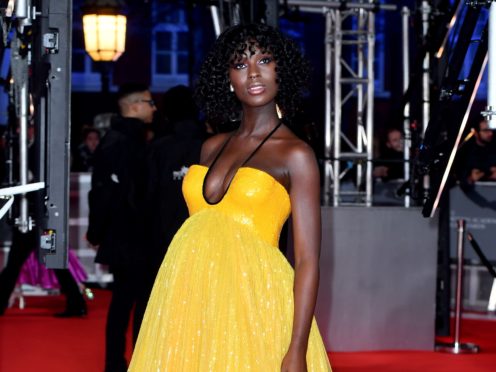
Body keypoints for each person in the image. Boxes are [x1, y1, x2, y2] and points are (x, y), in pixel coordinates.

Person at [130, 24, 332, 371]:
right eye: (240, 65)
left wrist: (296, 347)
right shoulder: (211, 146)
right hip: (190, 298)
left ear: (280, 69)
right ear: (227, 78)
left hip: (254, 304)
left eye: (264, 60)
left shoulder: (296, 155)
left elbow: (308, 260)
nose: (253, 73)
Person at [86, 83, 156, 372]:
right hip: (133, 236)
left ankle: (121, 363)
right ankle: (121, 363)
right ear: (135, 105)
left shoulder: (127, 139)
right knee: (131, 303)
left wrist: (97, 231)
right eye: (150, 102)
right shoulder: (123, 141)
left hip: (129, 236)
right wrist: (97, 231)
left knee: (127, 302)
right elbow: (103, 192)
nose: (154, 108)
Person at [458, 118, 496, 184]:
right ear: (475, 132)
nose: (490, 133)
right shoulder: (466, 153)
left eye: (491, 130)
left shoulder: (493, 149)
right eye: (485, 130)